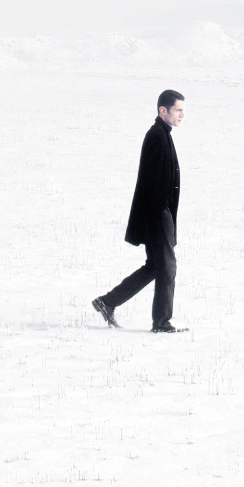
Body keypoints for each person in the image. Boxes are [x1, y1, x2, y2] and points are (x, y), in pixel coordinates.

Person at [94, 91, 184, 332]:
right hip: (157, 215)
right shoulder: (157, 136)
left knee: (156, 266)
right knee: (167, 267)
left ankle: (107, 302)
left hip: (159, 214)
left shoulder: (162, 134)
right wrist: (161, 211)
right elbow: (150, 181)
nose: (182, 115)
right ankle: (162, 323)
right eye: (178, 110)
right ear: (162, 110)